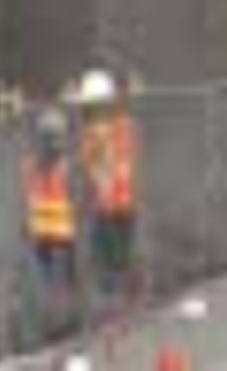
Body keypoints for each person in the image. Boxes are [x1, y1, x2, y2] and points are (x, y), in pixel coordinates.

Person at [77, 68, 143, 306]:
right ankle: (118, 296)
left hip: (115, 204)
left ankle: (122, 296)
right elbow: (91, 164)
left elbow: (114, 164)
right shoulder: (102, 129)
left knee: (116, 255)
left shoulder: (116, 128)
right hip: (109, 204)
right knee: (111, 256)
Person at [23, 110, 81, 331]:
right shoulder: (37, 165)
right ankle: (57, 322)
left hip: (60, 233)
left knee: (62, 280)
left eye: (57, 136)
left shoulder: (64, 165)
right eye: (51, 136)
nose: (55, 142)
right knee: (52, 282)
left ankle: (64, 320)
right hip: (47, 234)